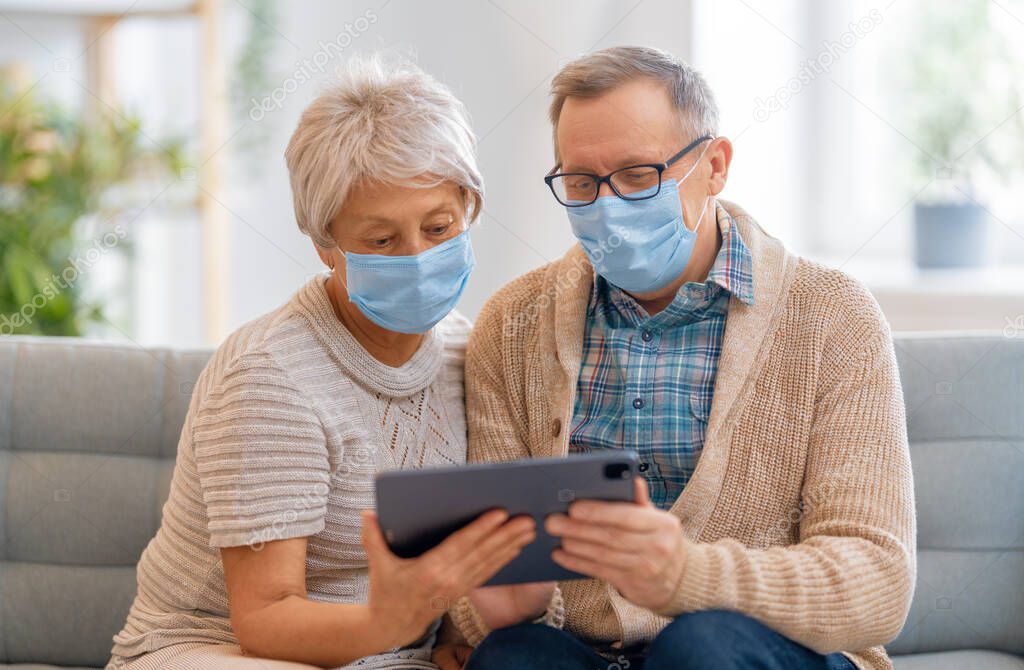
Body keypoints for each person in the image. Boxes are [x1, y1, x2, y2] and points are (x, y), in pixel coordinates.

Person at [442, 46, 916, 670]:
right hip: (587, 653)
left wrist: (688, 576)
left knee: (700, 648)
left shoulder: (833, 318)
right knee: (511, 656)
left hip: (748, 652)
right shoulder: (512, 323)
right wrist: (504, 603)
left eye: (639, 175)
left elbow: (878, 582)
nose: (607, 205)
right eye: (582, 183)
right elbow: (483, 587)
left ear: (714, 166)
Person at [106, 55, 556, 670]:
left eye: (439, 226)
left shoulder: (465, 349)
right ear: (324, 244)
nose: (419, 255)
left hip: (383, 654)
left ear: (469, 210)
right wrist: (386, 626)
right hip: (216, 651)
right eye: (381, 240)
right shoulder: (269, 376)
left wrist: (453, 635)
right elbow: (264, 620)